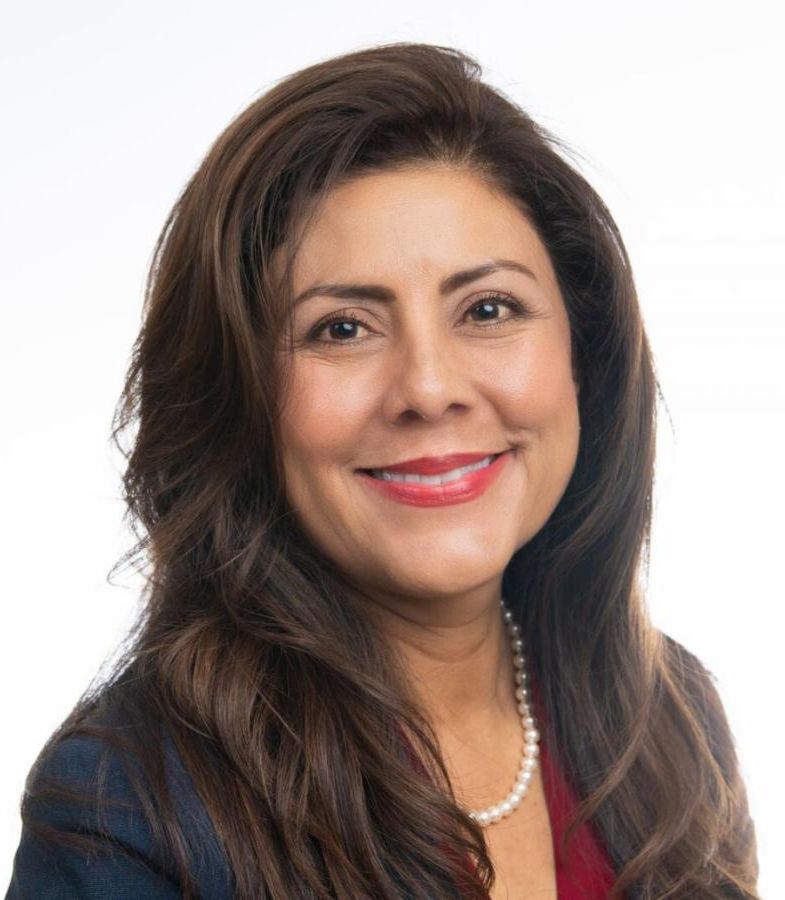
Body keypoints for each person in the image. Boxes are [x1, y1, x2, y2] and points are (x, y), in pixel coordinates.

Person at [5, 41, 759, 900]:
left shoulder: (668, 719)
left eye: (487, 309)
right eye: (342, 328)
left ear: (583, 357)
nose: (429, 389)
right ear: (236, 396)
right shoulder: (127, 811)